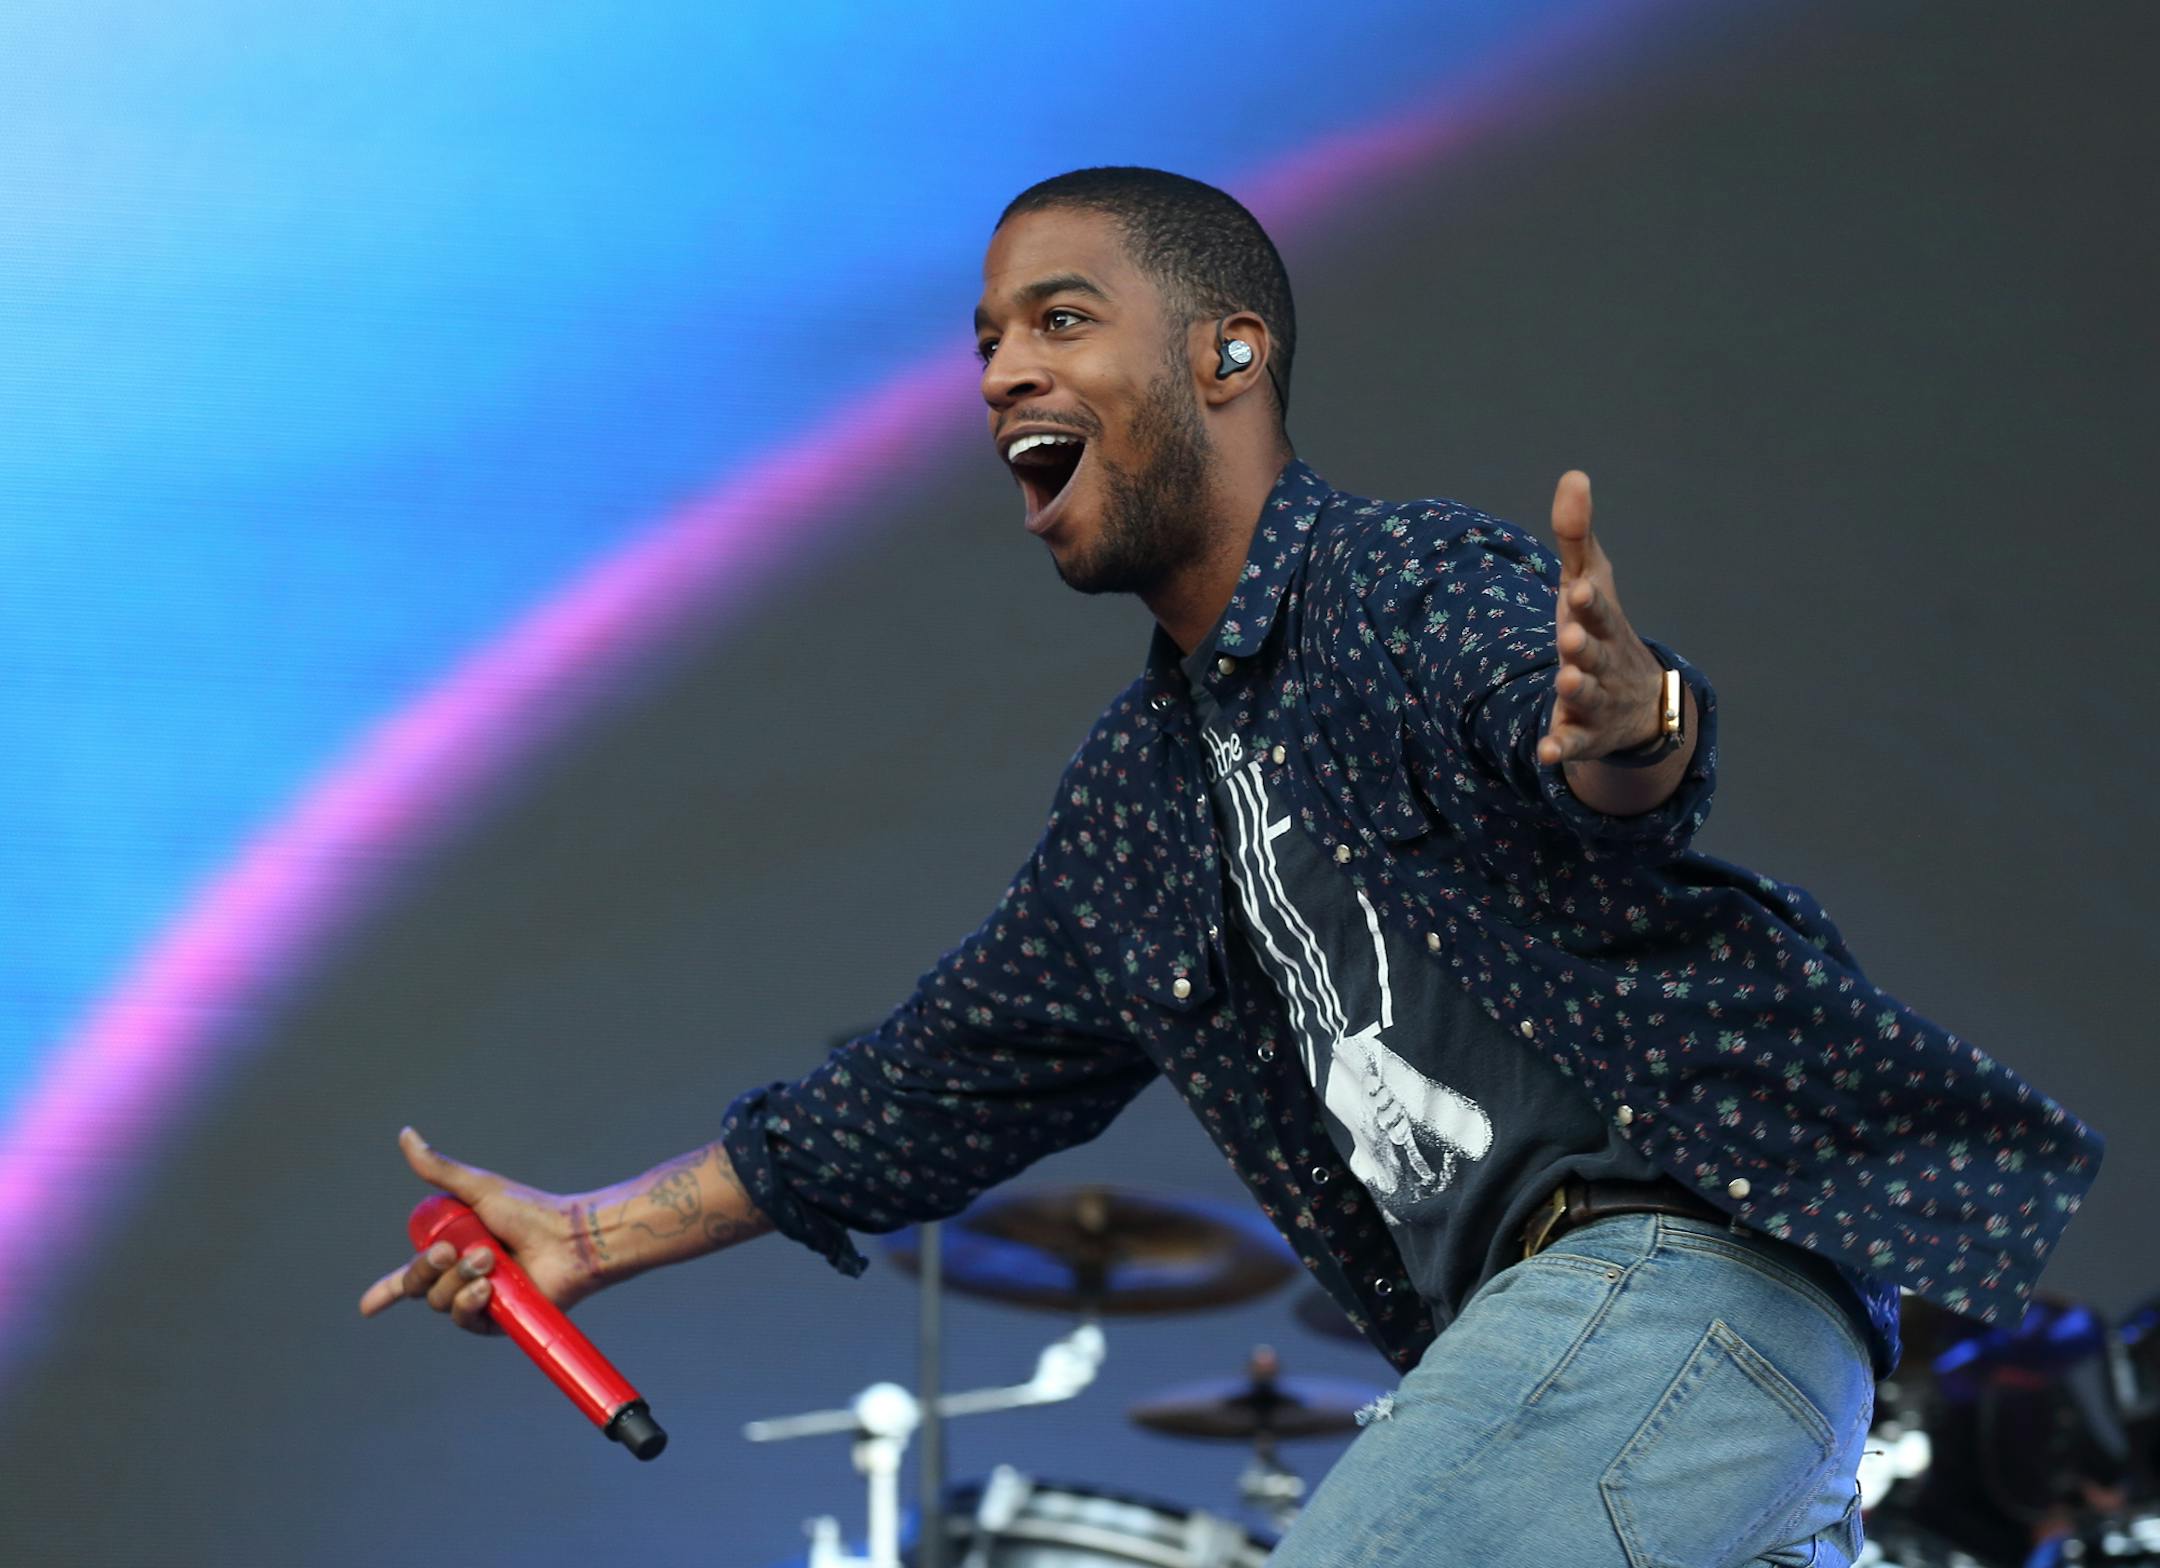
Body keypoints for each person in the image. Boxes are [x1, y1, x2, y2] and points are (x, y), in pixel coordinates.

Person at [360, 167, 2103, 1565]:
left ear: (1228, 355)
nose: (1000, 377)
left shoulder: (1401, 586)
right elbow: (915, 1093)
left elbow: (1590, 739)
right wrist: (593, 1232)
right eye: (984, 344)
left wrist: (1630, 728)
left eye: (1059, 319)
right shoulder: (1138, 809)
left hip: (1674, 1290)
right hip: (1668, 1393)